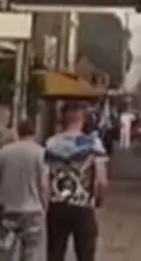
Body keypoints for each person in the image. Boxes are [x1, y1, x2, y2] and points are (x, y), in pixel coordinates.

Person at [45, 103, 109, 261]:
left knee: (54, 252)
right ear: (83, 118)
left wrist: (45, 202)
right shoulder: (92, 144)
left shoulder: (51, 143)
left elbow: (44, 179)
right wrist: (99, 199)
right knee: (85, 253)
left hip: (56, 205)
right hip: (82, 205)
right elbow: (101, 180)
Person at [0, 121, 48, 261]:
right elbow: (44, 184)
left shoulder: (4, 152)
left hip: (8, 209)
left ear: (18, 132)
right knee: (31, 252)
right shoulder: (41, 153)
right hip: (32, 210)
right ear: (34, 133)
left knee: (5, 251)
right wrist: (45, 206)